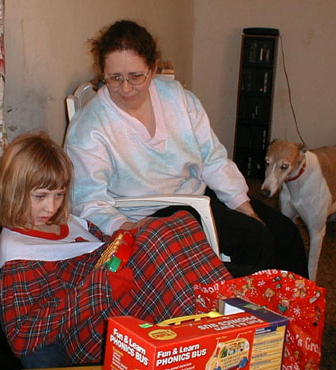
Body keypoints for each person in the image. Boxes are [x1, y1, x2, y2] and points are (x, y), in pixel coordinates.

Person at [64, 19, 309, 278]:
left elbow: (212, 158)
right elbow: (88, 202)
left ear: (153, 68)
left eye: (136, 76)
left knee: (286, 234)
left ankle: (297, 314)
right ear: (102, 73)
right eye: (114, 78)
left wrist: (245, 207)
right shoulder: (90, 127)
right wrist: (130, 227)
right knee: (256, 239)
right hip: (147, 216)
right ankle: (256, 311)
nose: (126, 88)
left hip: (196, 199)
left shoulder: (176, 97)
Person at [0, 133, 231, 368]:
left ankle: (225, 316)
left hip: (118, 295)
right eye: (40, 196)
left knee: (177, 223)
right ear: (14, 191)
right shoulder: (17, 253)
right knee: (157, 239)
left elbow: (106, 247)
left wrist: (122, 241)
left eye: (59, 195)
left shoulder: (70, 222)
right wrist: (99, 289)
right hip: (86, 330)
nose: (51, 206)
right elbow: (21, 336)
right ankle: (220, 331)